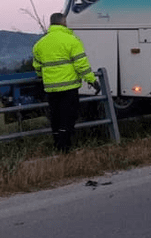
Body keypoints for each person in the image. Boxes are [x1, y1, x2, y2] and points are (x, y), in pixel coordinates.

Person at [32, 12, 100, 152]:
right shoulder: (72, 40)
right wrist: (92, 81)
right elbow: (81, 65)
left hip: (51, 89)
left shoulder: (40, 44)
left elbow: (38, 67)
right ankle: (65, 148)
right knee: (68, 118)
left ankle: (57, 145)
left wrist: (43, 77)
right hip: (69, 87)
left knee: (55, 118)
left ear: (51, 23)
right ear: (63, 22)